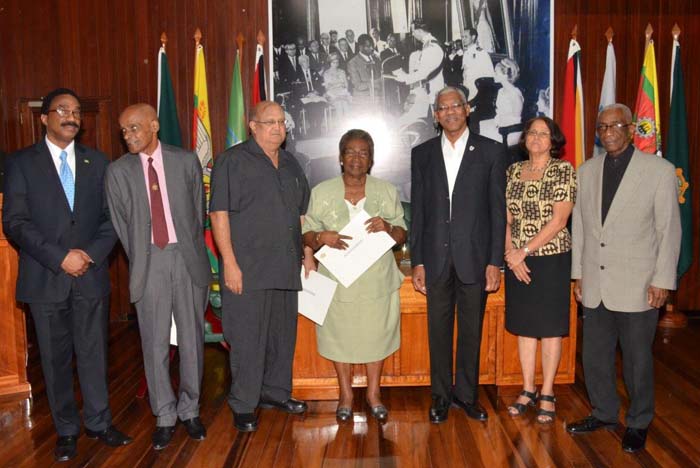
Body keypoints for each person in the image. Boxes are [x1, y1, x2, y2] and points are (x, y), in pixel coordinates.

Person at [2, 88, 131, 462]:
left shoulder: (99, 162)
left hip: (89, 276)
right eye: (62, 110)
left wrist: (88, 255)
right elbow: (15, 222)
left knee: (94, 354)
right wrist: (60, 258)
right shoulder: (21, 163)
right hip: (45, 278)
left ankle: (99, 422)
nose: (71, 116)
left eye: (76, 111)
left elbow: (112, 220)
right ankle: (67, 431)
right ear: (44, 118)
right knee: (55, 361)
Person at [566, 104, 681, 453]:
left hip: (639, 285)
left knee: (637, 360)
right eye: (602, 127)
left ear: (631, 129)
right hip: (595, 286)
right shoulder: (586, 172)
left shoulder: (659, 171)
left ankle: (639, 420)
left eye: (616, 125)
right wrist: (578, 275)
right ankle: (603, 412)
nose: (608, 131)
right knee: (595, 356)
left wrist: (662, 280)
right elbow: (582, 230)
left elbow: (669, 230)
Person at [105, 104, 212, 450]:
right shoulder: (117, 172)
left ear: (154, 125)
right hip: (148, 263)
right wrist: (146, 255)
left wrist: (185, 248)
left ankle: (190, 410)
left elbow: (198, 213)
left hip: (186, 258)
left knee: (192, 340)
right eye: (124, 131)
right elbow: (122, 226)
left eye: (135, 128)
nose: (129, 136)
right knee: (154, 343)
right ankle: (164, 415)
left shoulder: (184, 161)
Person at [209, 101, 311, 433]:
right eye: (270, 122)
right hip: (247, 270)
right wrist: (230, 264)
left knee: (282, 337)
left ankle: (275, 394)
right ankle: (243, 403)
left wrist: (306, 252)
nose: (278, 128)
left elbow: (300, 215)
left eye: (282, 122)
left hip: (285, 267)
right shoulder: (231, 161)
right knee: (248, 339)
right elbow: (218, 214)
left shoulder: (292, 163)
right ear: (252, 126)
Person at [410, 86, 506, 424]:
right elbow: (418, 213)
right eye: (442, 107)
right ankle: (440, 397)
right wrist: (417, 260)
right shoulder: (421, 154)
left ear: (467, 109)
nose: (449, 112)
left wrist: (495, 262)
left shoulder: (492, 151)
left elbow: (498, 211)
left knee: (471, 332)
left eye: (455, 106)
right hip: (435, 259)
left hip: (476, 260)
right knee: (437, 331)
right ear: (435, 115)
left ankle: (466, 396)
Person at [302, 129, 407, 423]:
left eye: (363, 153)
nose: (356, 158)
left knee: (376, 335)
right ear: (340, 157)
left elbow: (401, 234)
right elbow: (306, 233)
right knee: (339, 337)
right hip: (337, 281)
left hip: (377, 280)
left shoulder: (386, 190)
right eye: (351, 152)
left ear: (371, 159)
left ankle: (374, 394)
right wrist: (322, 236)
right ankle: (346, 394)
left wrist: (388, 227)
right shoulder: (321, 191)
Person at [503, 117, 575, 424]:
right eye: (531, 132)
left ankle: (547, 391)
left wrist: (525, 251)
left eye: (543, 133)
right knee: (525, 326)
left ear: (553, 141)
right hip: (517, 261)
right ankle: (528, 389)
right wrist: (511, 254)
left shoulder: (563, 170)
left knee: (548, 327)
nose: (536, 137)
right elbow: (507, 219)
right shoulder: (514, 171)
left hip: (550, 258)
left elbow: (559, 220)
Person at [479, 58, 524, 146]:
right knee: (479, 128)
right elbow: (500, 112)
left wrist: (500, 126)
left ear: (505, 75)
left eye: (496, 72)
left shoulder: (515, 94)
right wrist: (497, 122)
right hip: (501, 124)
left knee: (483, 141)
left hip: (511, 132)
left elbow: (517, 120)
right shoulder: (501, 91)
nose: (493, 74)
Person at [347, 34, 382, 107]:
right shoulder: (353, 63)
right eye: (368, 46)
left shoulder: (376, 59)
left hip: (379, 96)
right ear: (360, 47)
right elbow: (358, 86)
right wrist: (378, 82)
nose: (371, 48)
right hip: (363, 99)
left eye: (372, 46)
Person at [461, 28, 494, 101]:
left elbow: (490, 74)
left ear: (473, 37)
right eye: (462, 37)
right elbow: (465, 72)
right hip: (467, 87)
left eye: (466, 37)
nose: (463, 39)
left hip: (477, 90)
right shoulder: (466, 53)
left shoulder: (481, 53)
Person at [323, 52, 352, 118]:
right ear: (330, 63)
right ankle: (341, 124)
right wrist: (338, 85)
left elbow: (346, 84)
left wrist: (341, 88)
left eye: (337, 63)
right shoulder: (327, 73)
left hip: (343, 92)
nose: (335, 64)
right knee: (339, 104)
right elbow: (327, 87)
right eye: (334, 63)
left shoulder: (342, 72)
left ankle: (347, 124)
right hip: (332, 94)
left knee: (345, 104)